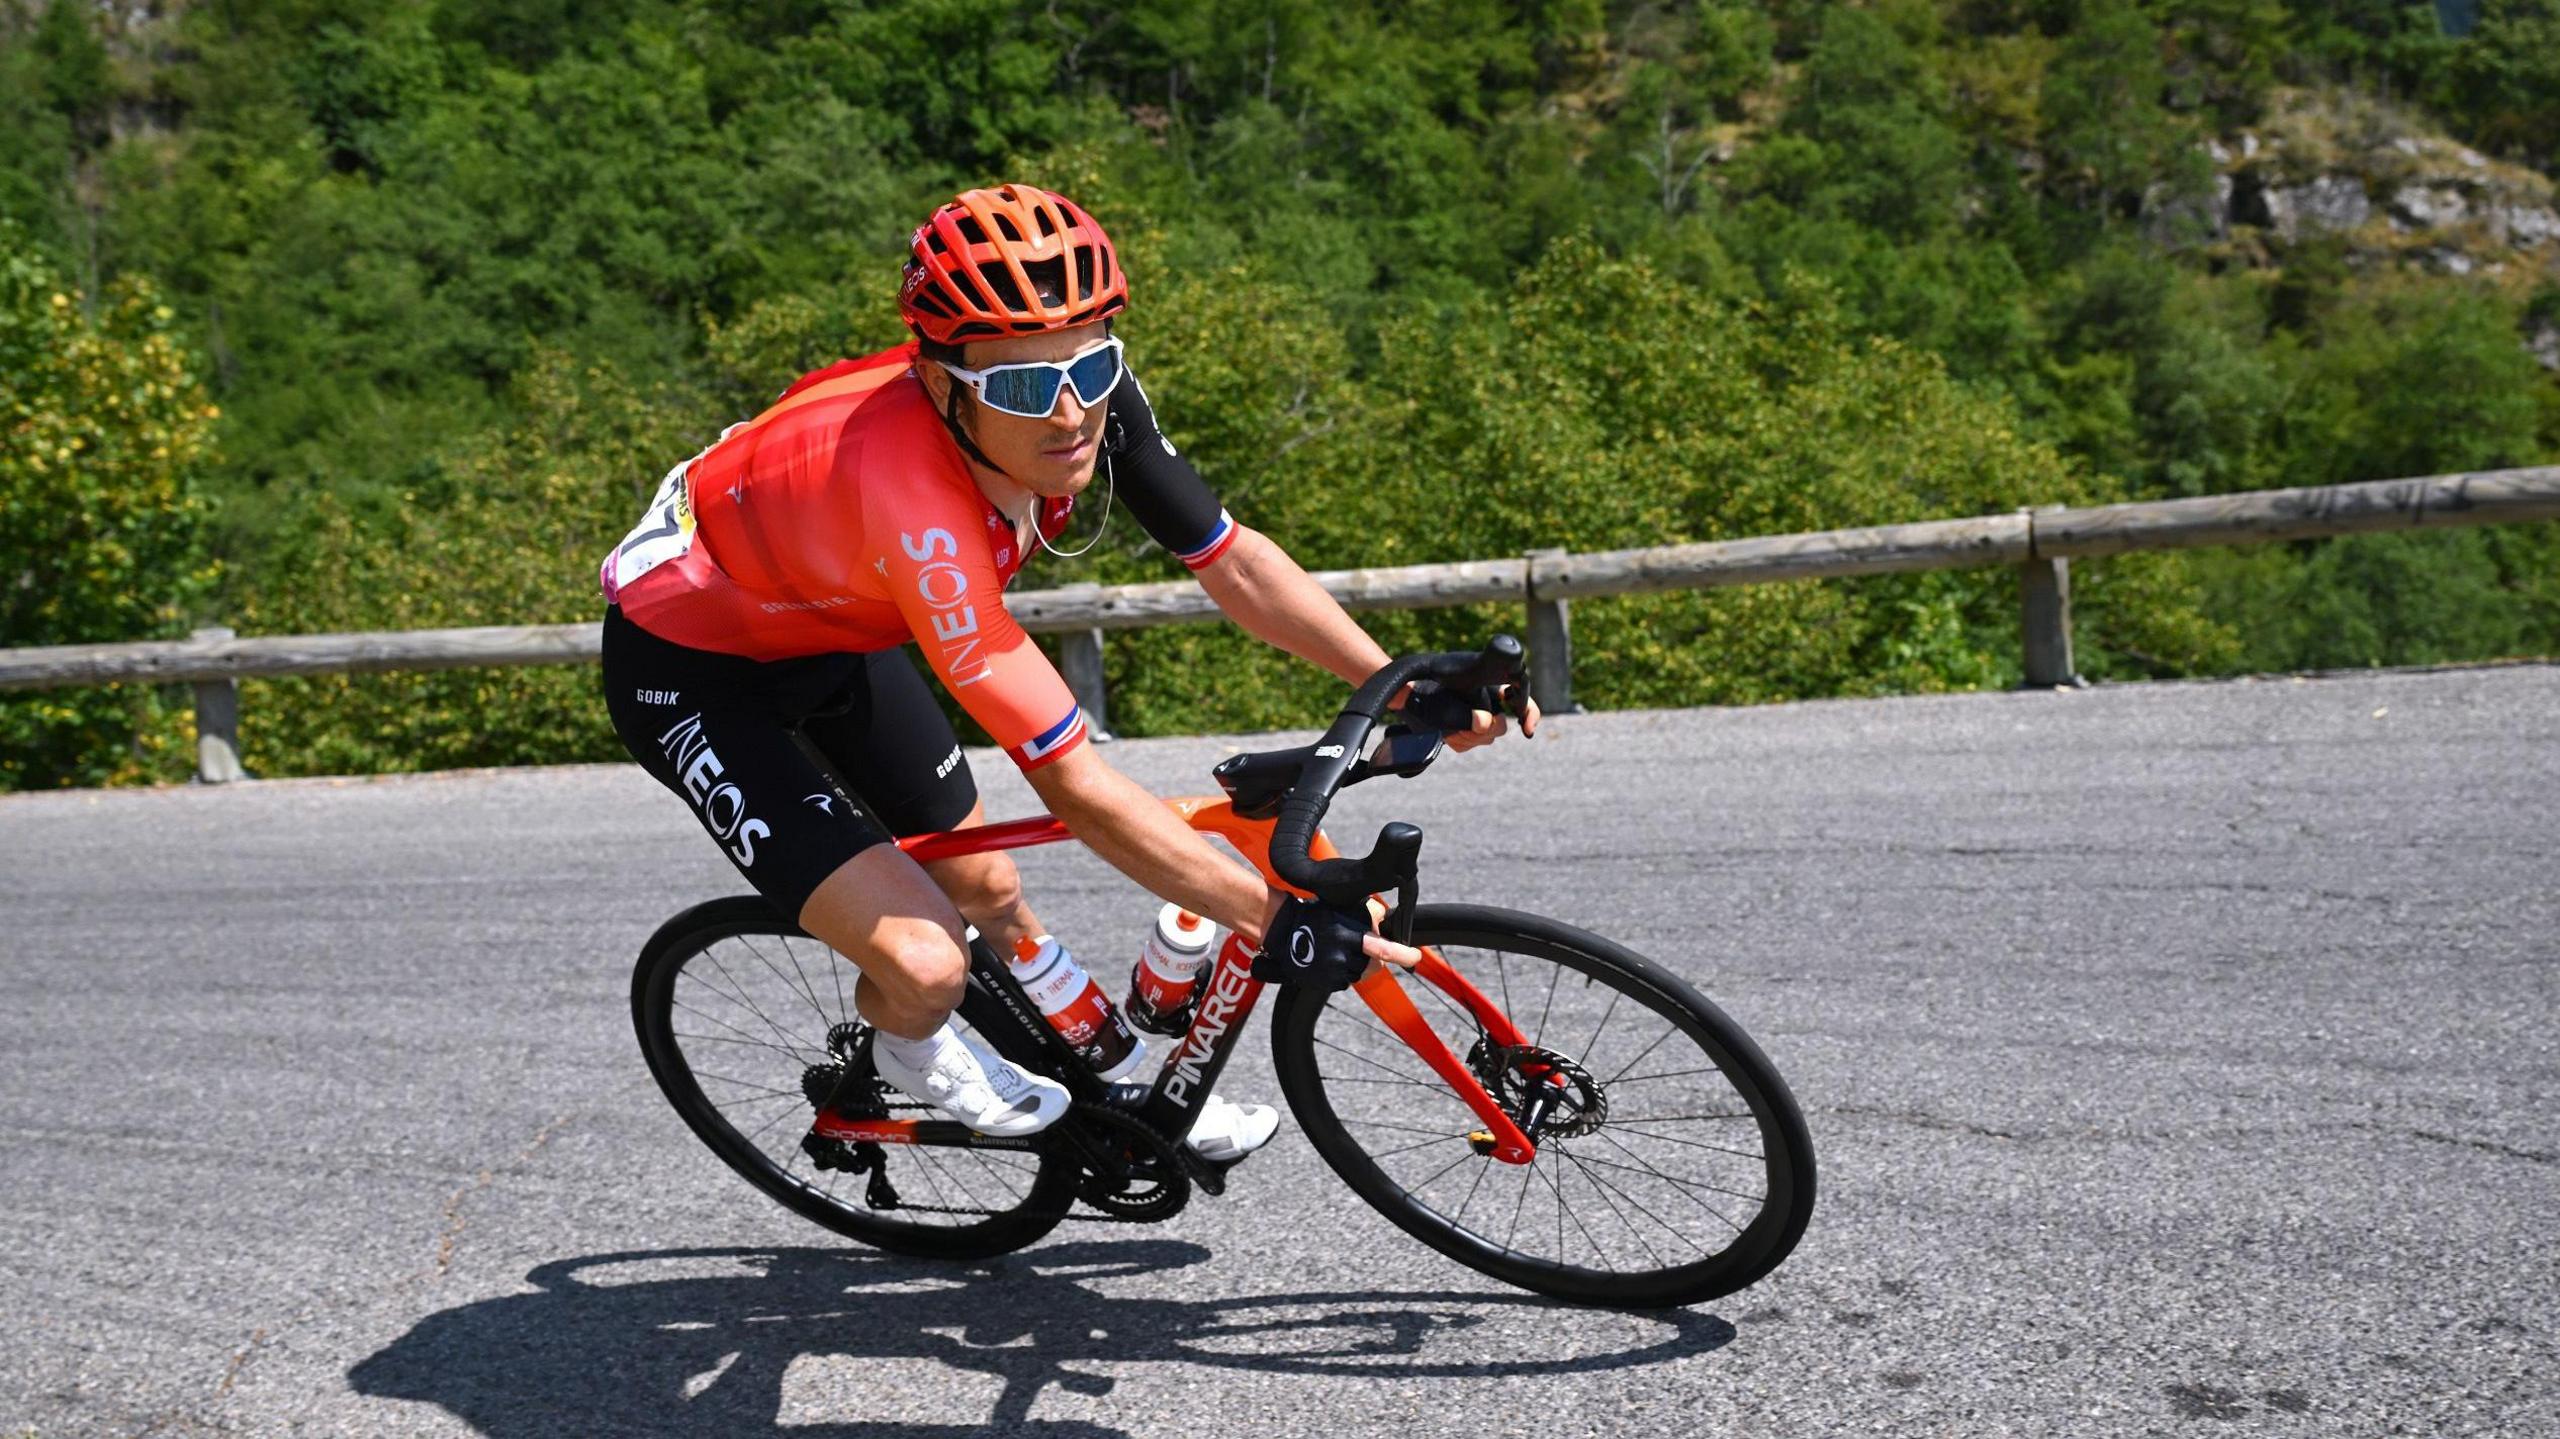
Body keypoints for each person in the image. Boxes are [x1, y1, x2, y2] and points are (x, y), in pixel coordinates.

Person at [598, 184, 1534, 1157]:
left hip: (828, 623)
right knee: (925, 962)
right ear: (943, 381)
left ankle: (1113, 1081)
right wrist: (1275, 918)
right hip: (697, 671)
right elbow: (1078, 787)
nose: (1071, 409)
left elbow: (1234, 559)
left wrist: (1399, 680)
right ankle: (901, 1049)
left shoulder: (1071, 388)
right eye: (1019, 386)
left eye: (1092, 361)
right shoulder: (916, 508)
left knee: (990, 884)